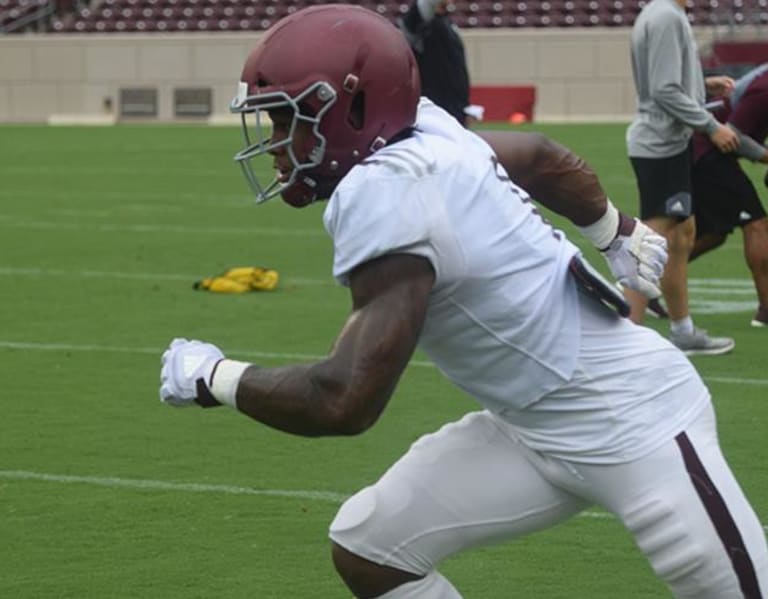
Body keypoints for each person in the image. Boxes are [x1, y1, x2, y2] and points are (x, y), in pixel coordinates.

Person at [159, 6, 768, 597]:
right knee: (371, 550)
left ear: (351, 110)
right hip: (532, 428)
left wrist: (215, 377)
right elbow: (542, 157)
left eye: (288, 121)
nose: (275, 144)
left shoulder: (391, 191)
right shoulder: (428, 128)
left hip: (634, 421)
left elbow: (344, 400)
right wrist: (616, 230)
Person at [625, 0, 741, 355]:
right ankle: (623, 336)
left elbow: (669, 82)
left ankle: (683, 330)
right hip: (660, 143)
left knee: (683, 234)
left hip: (670, 142)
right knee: (653, 239)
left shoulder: (664, 13)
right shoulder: (664, 17)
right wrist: (711, 126)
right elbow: (663, 90)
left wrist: (703, 86)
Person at [691, 63, 768, 328]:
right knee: (756, 223)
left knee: (713, 235)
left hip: (710, 154)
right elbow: (734, 135)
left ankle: (647, 278)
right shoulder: (763, 89)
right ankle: (767, 309)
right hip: (708, 151)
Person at [398, 0, 471, 127]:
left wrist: (464, 106)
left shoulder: (448, 25)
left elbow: (458, 74)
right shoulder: (419, 24)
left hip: (455, 108)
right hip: (434, 107)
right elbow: (424, 7)